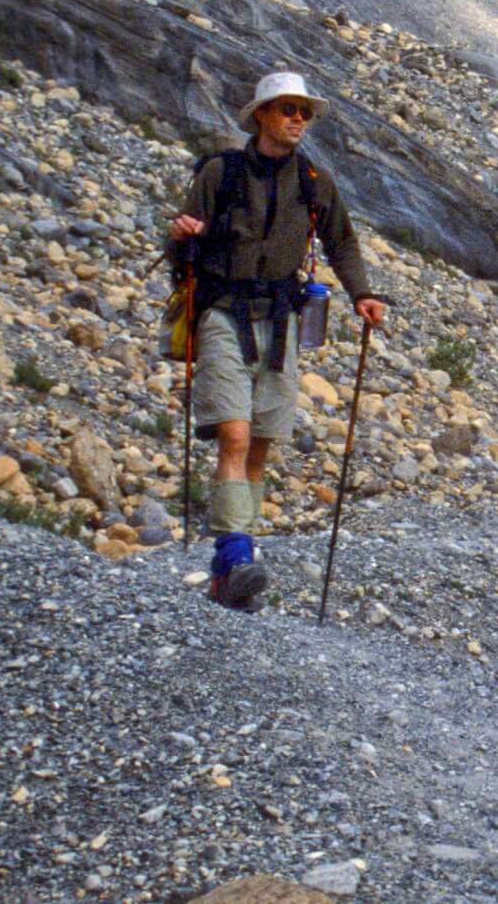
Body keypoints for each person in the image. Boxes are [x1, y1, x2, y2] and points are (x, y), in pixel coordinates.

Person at [169, 71, 386, 611]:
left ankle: (235, 564)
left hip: (282, 319)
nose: (297, 119)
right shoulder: (220, 172)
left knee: (262, 441)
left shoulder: (315, 181)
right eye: (287, 109)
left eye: (303, 112)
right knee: (236, 437)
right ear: (262, 114)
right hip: (224, 312)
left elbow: (343, 243)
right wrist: (181, 239)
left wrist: (363, 293)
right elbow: (179, 246)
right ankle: (235, 555)